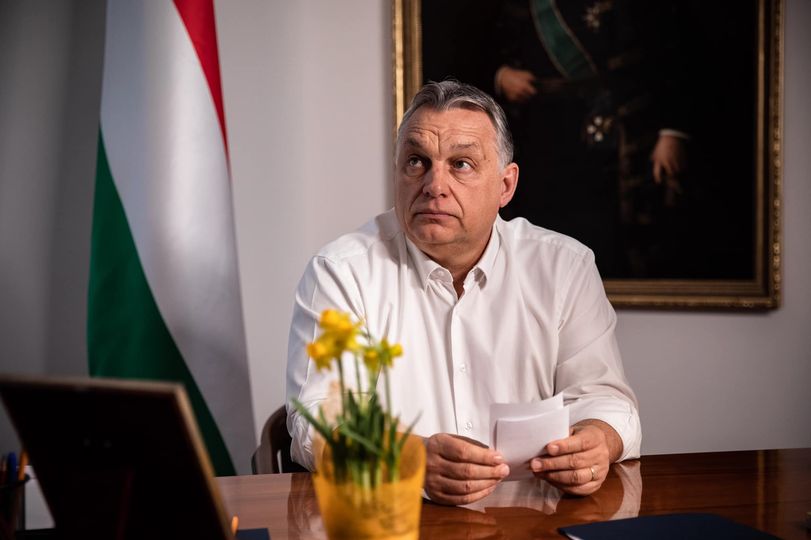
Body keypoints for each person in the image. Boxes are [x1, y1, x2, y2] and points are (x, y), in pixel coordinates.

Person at [286, 81, 641, 505]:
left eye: (461, 164)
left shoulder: (563, 266)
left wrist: (598, 440)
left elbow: (604, 398)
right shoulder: (342, 272)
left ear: (505, 186)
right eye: (416, 162)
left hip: (531, 523)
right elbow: (318, 424)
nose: (434, 185)